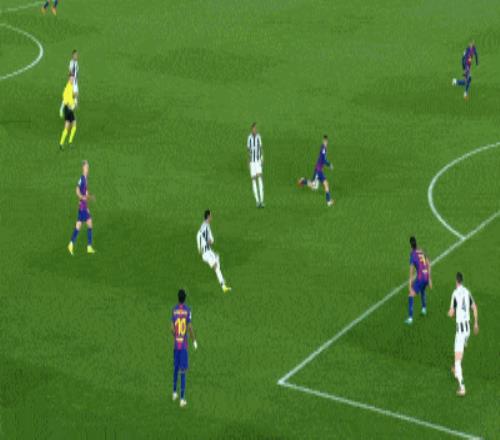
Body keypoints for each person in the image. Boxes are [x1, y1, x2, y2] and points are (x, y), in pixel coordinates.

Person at [448, 272, 479, 396]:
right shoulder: (467, 292)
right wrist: (476, 323)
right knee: (461, 350)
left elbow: (451, 313)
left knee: (457, 361)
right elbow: (474, 307)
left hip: (460, 332)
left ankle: (462, 387)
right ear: (462, 281)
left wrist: (449, 313)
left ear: (456, 281)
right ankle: (456, 368)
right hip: (468, 329)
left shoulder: (455, 294)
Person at [171, 289, 197, 408]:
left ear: (178, 298)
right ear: (185, 298)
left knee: (175, 368)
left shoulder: (174, 310)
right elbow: (190, 327)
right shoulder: (187, 310)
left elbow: (171, 328)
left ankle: (174, 393)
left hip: (176, 344)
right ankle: (182, 399)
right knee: (183, 371)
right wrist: (194, 340)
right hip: (184, 346)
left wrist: (176, 337)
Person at [196, 210, 231, 293]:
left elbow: (200, 236)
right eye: (211, 216)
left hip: (208, 251)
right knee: (216, 266)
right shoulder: (205, 227)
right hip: (206, 253)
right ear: (208, 217)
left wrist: (202, 245)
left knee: (217, 258)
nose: (212, 217)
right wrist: (207, 243)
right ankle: (223, 285)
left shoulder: (205, 226)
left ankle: (222, 282)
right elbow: (205, 238)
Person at [68, 160, 96, 255]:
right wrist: (81, 197)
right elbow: (77, 190)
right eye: (86, 167)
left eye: (88, 167)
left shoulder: (86, 179)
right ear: (83, 168)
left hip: (83, 206)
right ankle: (89, 246)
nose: (88, 169)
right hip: (82, 207)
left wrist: (90, 197)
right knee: (89, 224)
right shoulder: (82, 178)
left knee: (78, 226)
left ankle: (71, 244)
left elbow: (86, 195)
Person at [297, 135, 334, 206]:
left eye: (326, 141)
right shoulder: (323, 149)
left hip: (320, 171)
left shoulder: (324, 148)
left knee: (326, 184)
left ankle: (329, 201)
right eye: (324, 141)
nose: (326, 142)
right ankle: (303, 181)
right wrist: (329, 165)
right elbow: (323, 160)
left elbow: (323, 159)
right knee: (314, 186)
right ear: (323, 141)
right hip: (318, 171)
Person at [405, 236, 432, 325]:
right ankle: (424, 308)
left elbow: (411, 273)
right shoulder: (421, 251)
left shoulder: (412, 256)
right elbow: (428, 263)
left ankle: (410, 318)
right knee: (422, 290)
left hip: (421, 278)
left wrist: (410, 285)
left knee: (411, 294)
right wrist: (429, 279)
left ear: (410, 245)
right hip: (426, 276)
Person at [247, 122, 264, 208]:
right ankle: (257, 201)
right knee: (254, 180)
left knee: (260, 178)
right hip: (252, 162)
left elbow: (261, 148)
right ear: (251, 129)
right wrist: (248, 161)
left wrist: (262, 158)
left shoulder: (258, 137)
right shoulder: (249, 138)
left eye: (256, 129)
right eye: (253, 129)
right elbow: (248, 150)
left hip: (258, 161)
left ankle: (262, 200)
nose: (255, 130)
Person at [59, 74, 77, 150]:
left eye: (73, 79)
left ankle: (62, 143)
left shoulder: (70, 86)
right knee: (72, 125)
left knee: (69, 125)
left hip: (67, 109)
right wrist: (72, 105)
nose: (72, 80)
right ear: (68, 79)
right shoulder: (68, 88)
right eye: (71, 79)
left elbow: (70, 97)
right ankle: (68, 142)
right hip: (68, 109)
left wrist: (74, 99)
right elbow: (65, 100)